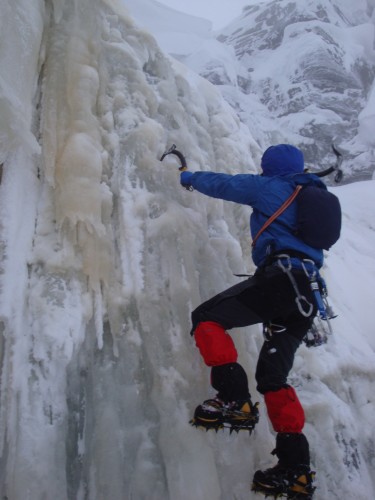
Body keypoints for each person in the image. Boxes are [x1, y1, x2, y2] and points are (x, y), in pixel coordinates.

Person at [180, 144, 333, 499]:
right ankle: (295, 470)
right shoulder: (311, 196)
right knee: (273, 377)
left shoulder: (273, 187)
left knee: (207, 317)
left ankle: (234, 399)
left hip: (281, 282)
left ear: (270, 168)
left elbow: (225, 184)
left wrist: (188, 177)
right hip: (307, 298)